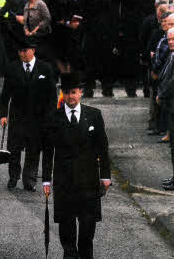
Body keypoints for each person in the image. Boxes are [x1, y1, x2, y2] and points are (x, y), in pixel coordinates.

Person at [42, 72, 111, 259]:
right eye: (67, 92)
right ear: (62, 93)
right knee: (66, 224)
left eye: (74, 92)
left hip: (88, 180)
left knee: (88, 225)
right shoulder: (53, 118)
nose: (71, 97)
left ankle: (86, 255)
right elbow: (48, 151)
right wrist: (46, 180)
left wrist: (105, 176)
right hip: (64, 181)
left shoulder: (94, 116)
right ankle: (70, 254)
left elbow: (102, 148)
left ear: (81, 92)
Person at [0, 39, 56, 191]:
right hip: (18, 116)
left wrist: (50, 117)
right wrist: (3, 114)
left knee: (34, 149)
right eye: (20, 51)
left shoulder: (45, 69)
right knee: (14, 149)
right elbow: (5, 94)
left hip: (38, 118)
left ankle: (29, 180)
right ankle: (13, 176)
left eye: (25, 51)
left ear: (33, 50)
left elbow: (52, 97)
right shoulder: (12, 68)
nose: (23, 54)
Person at [157, 28, 174, 191]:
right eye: (168, 39)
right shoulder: (171, 55)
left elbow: (171, 82)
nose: (170, 42)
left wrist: (162, 94)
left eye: (173, 39)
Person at [23, 0, 52, 64]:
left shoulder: (40, 4)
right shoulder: (27, 4)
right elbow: (25, 20)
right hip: (30, 37)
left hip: (41, 36)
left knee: (42, 58)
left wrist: (37, 28)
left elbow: (47, 18)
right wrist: (25, 29)